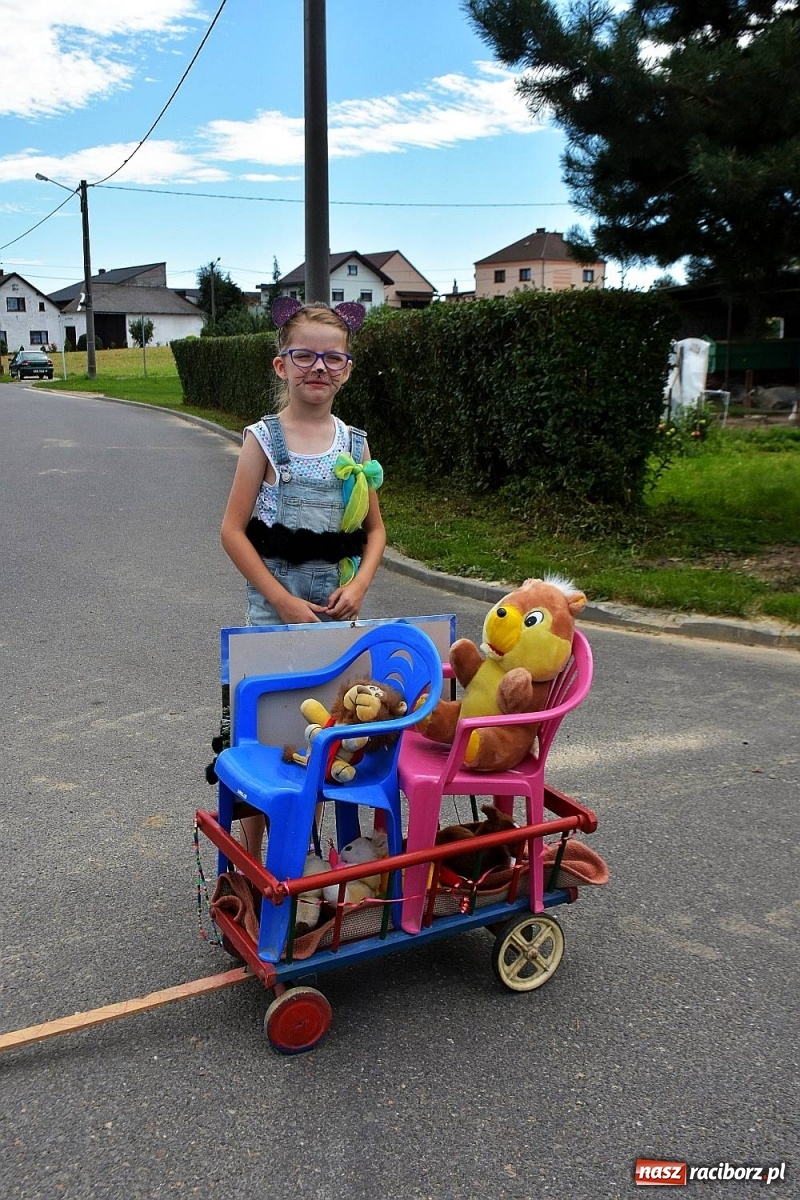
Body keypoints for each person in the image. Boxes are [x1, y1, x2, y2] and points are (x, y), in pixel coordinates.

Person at [219, 297, 386, 856]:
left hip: (336, 614)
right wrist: (282, 600)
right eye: (304, 355)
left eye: (333, 358)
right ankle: (254, 858)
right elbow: (232, 531)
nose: (319, 367)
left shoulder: (355, 443)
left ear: (347, 369)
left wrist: (359, 586)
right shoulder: (262, 439)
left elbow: (375, 532)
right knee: (265, 737)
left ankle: (315, 859)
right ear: (281, 365)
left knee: (326, 731)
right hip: (274, 612)